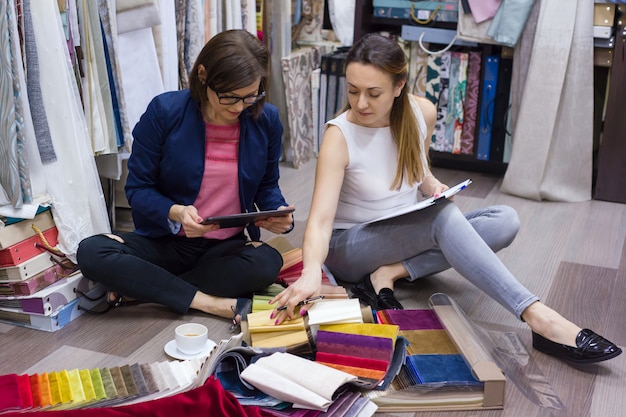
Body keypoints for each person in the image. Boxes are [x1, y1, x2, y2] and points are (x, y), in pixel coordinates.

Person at [269, 33, 621, 365]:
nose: (361, 103)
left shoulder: (420, 113)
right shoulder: (339, 135)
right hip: (352, 246)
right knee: (443, 220)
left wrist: (436, 189)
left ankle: (391, 272)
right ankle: (539, 317)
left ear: (399, 87)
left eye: (373, 93)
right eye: (353, 91)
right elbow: (318, 221)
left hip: (405, 232)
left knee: (505, 220)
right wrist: (313, 270)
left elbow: (418, 173)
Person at [77, 30, 294, 327]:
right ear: (203, 74)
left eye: (250, 96)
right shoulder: (165, 112)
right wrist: (176, 212)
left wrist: (279, 212)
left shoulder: (265, 119)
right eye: (229, 96)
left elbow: (267, 186)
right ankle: (212, 303)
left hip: (224, 248)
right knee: (92, 251)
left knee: (267, 262)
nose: (239, 107)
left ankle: (140, 290)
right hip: (166, 242)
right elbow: (138, 189)